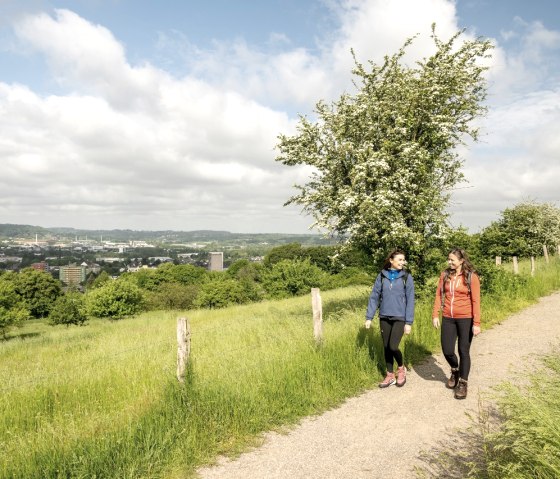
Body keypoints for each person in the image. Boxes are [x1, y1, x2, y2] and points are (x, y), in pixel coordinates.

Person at [432, 248, 481, 400]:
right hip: (448, 317)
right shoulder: (445, 275)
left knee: (463, 351)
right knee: (447, 350)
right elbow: (439, 295)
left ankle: (463, 383)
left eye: (452, 260)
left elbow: (476, 300)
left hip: (466, 318)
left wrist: (477, 322)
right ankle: (455, 370)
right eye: (449, 259)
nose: (449, 262)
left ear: (461, 261)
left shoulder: (471, 277)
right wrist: (435, 314)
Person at [365, 249, 415, 388]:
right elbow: (374, 296)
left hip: (400, 317)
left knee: (393, 346)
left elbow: (410, 300)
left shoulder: (406, 277)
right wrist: (369, 317)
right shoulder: (382, 276)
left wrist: (409, 322)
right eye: (399, 260)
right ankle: (389, 375)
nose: (402, 262)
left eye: (403, 260)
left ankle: (401, 369)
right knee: (386, 347)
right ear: (391, 261)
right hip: (384, 316)